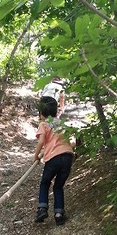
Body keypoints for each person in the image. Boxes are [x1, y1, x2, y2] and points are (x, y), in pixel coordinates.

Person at [33, 96, 74, 226]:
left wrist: (36, 156)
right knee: (58, 186)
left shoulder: (43, 124)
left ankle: (42, 209)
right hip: (67, 157)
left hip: (53, 158)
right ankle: (59, 214)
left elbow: (41, 141)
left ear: (41, 113)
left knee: (45, 183)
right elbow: (71, 140)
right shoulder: (60, 124)